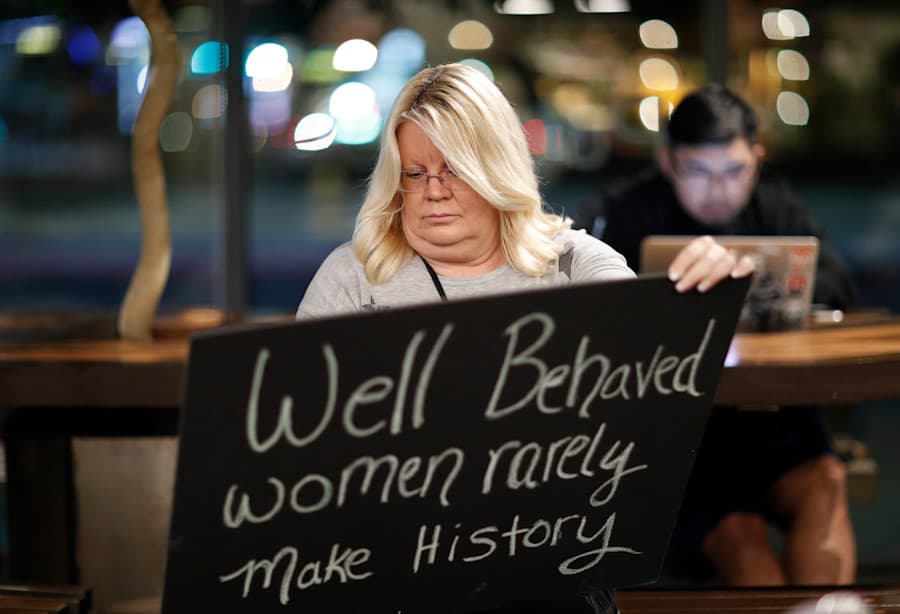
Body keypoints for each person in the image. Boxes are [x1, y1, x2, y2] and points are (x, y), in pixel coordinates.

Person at [297, 64, 753, 613]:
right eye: (414, 174)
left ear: (495, 166)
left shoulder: (574, 265)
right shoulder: (351, 278)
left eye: (454, 170)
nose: (433, 192)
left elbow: (653, 393)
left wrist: (702, 295)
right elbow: (306, 458)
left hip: (548, 561)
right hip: (396, 565)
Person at [575, 84, 857, 586]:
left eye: (734, 172)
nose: (718, 190)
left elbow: (837, 284)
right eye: (699, 172)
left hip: (772, 420)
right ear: (668, 164)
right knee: (738, 532)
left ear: (757, 159)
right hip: (679, 433)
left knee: (828, 479)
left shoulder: (775, 206)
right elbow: (579, 304)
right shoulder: (623, 212)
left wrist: (762, 278)